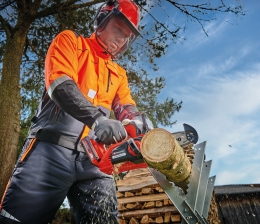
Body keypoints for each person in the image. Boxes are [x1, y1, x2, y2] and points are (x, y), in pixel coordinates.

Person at [0, 0, 144, 223]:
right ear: (101, 20)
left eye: (127, 36)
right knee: (17, 218)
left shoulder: (118, 73)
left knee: (104, 218)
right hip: (50, 149)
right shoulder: (71, 42)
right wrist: (97, 119)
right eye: (118, 29)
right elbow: (60, 83)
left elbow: (125, 104)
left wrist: (136, 121)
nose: (121, 39)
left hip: (94, 159)